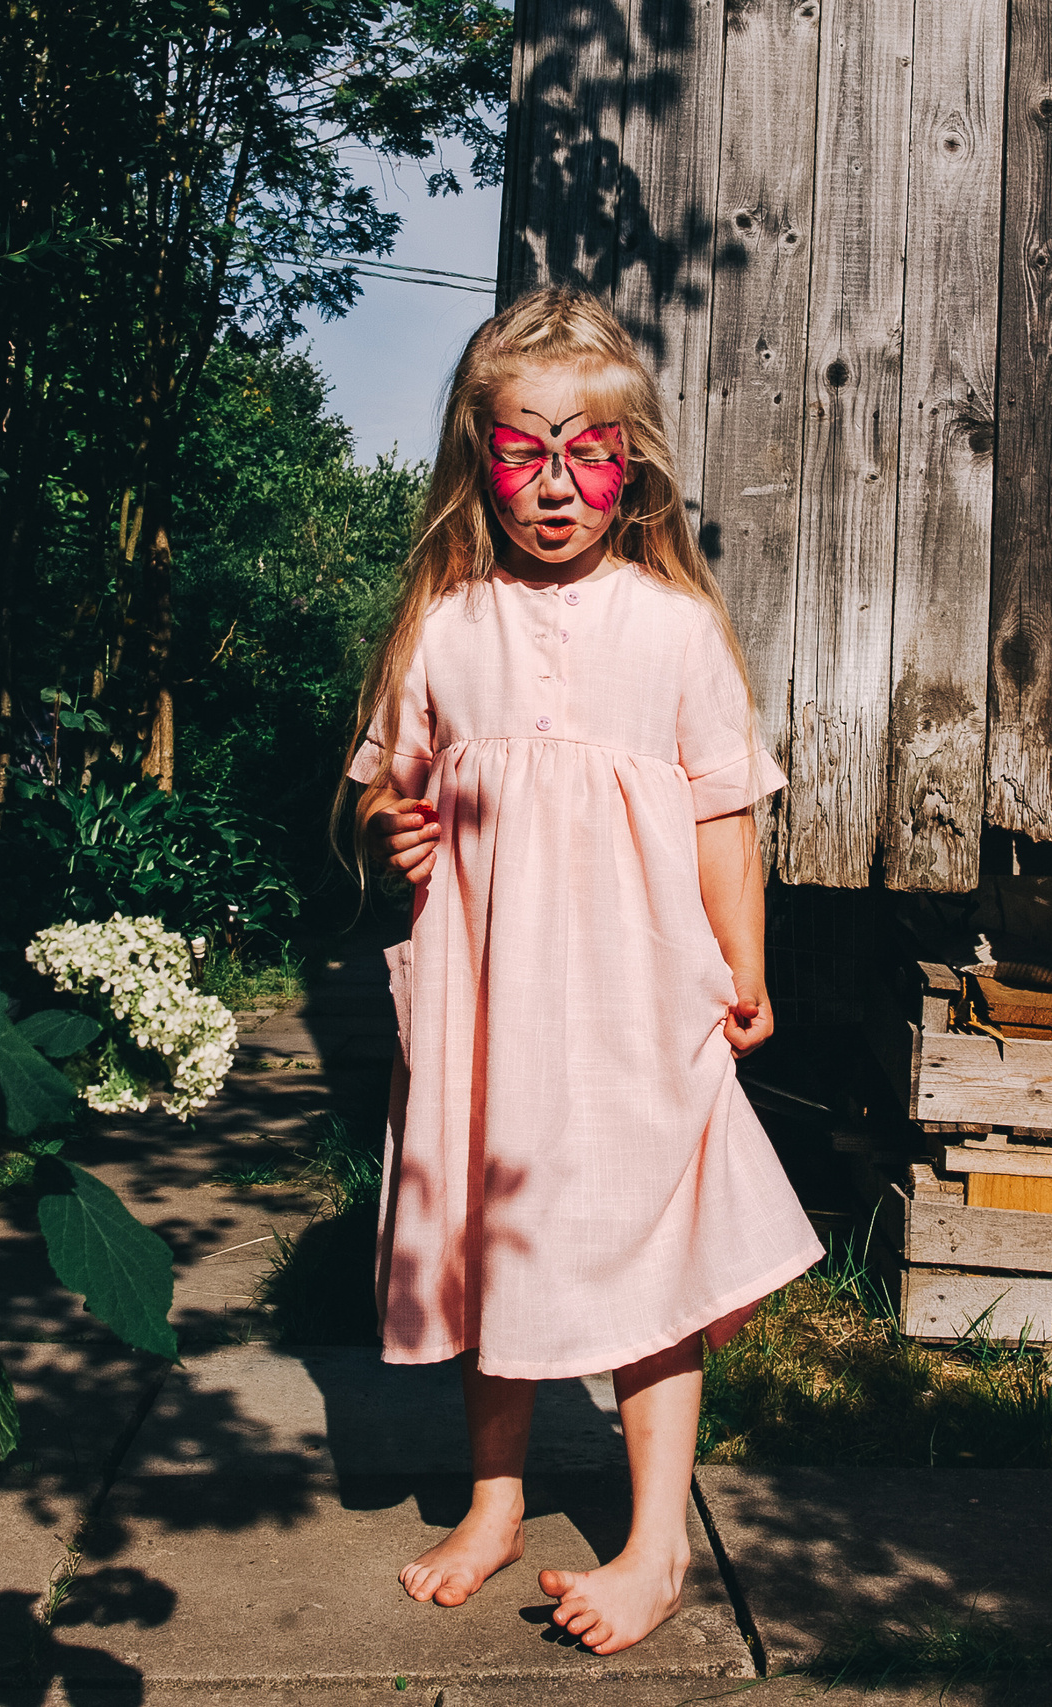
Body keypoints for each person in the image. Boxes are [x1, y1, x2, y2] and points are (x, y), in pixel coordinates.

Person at [338, 286, 823, 1654]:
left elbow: (728, 814)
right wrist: (398, 829)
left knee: (641, 1242)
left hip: (634, 993)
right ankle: (497, 1503)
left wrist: (747, 967)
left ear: (633, 466)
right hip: (487, 998)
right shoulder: (444, 630)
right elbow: (387, 793)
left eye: (587, 454)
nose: (555, 488)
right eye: (523, 452)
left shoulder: (671, 628)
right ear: (477, 459)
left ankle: (657, 1537)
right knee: (498, 1239)